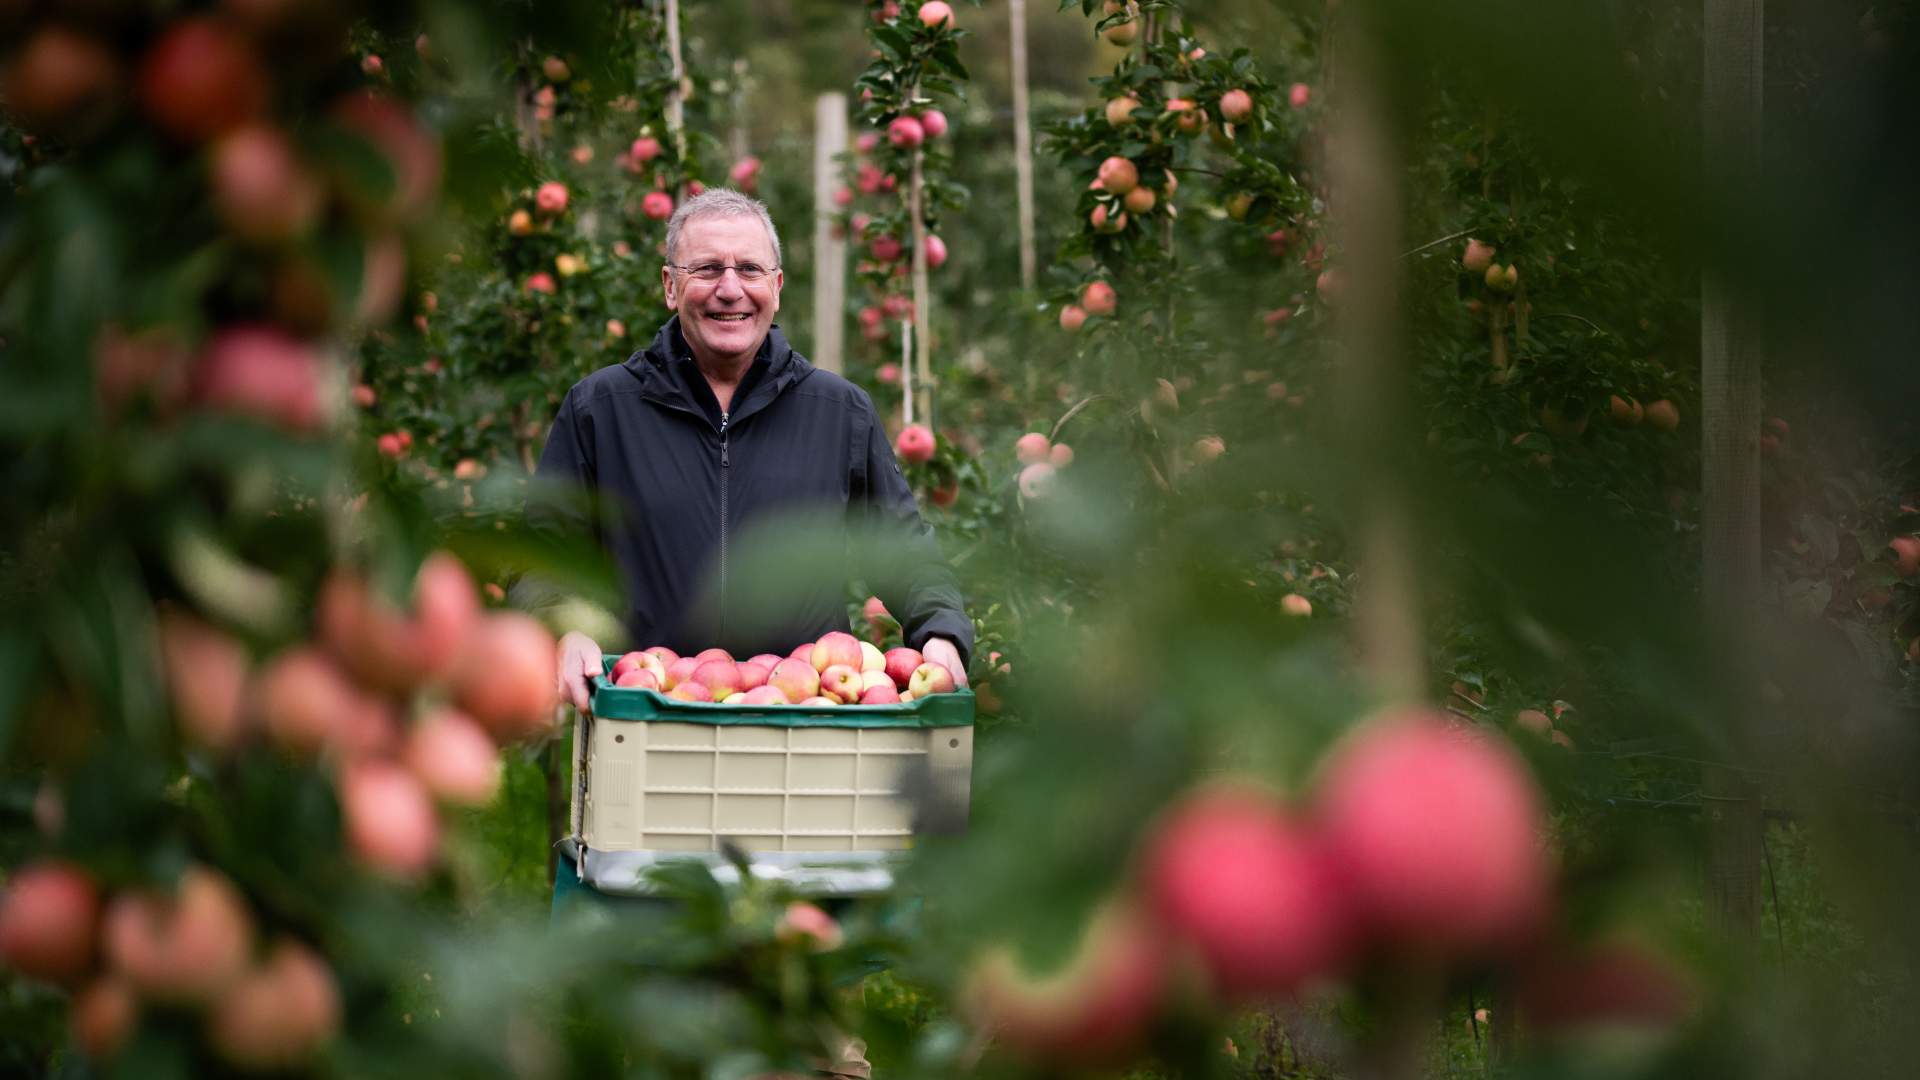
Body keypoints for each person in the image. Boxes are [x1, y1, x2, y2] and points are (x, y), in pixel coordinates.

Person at [528, 187, 972, 706]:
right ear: (671, 286)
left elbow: (902, 552)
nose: (730, 289)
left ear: (777, 287)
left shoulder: (839, 412)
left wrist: (940, 630)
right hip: (644, 715)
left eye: (750, 270)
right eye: (708, 269)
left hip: (805, 723)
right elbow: (543, 554)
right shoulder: (601, 409)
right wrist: (562, 629)